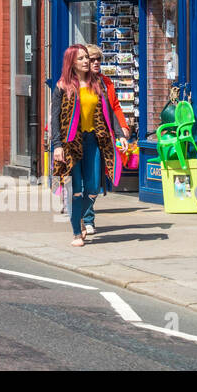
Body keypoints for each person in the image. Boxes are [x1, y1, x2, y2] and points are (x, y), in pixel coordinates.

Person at [50, 44, 118, 248]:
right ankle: (77, 232)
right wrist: (57, 145)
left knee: (93, 186)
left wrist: (120, 134)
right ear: (72, 62)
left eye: (86, 57)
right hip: (71, 144)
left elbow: (108, 112)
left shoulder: (97, 84)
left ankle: (79, 214)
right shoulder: (63, 86)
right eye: (81, 58)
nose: (86, 61)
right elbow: (55, 119)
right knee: (75, 190)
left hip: (93, 141)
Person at [83, 44, 130, 236]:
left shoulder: (106, 83)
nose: (95, 63)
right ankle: (87, 219)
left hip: (99, 138)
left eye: (98, 60)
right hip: (78, 138)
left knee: (94, 182)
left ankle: (82, 213)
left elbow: (114, 107)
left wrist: (122, 130)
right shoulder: (75, 82)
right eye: (91, 60)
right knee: (81, 180)